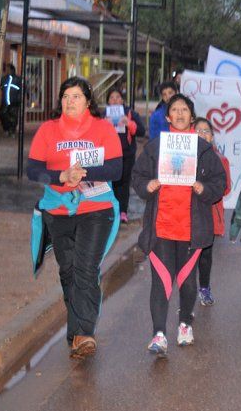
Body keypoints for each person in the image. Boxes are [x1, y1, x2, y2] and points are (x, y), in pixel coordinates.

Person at [27, 77, 123, 359]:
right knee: (67, 270)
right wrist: (60, 176)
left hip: (96, 209)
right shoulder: (48, 130)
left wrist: (82, 174)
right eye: (66, 96)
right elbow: (33, 170)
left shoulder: (103, 129)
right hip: (58, 210)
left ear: (88, 101)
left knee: (84, 268)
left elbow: (116, 169)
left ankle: (85, 333)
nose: (70, 101)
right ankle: (77, 332)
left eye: (77, 96)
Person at [132, 94, 226, 357]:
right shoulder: (155, 146)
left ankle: (185, 324)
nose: (180, 113)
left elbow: (220, 183)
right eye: (175, 109)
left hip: (191, 228)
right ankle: (159, 334)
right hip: (161, 227)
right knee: (161, 281)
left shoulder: (203, 150)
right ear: (169, 116)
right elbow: (138, 176)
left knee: (186, 281)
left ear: (191, 117)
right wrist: (146, 186)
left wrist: (204, 188)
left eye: (185, 109)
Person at [193, 118, 232, 306]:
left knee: (205, 255)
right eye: (197, 130)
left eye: (206, 131)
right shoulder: (185, 159)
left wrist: (207, 188)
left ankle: (205, 288)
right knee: (189, 255)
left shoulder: (220, 160)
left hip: (209, 215)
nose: (202, 134)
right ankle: (188, 290)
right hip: (188, 215)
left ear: (212, 136)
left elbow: (226, 188)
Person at [106, 89, 145, 223]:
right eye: (112, 97)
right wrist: (104, 124)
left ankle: (123, 211)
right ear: (108, 101)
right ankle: (112, 210)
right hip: (109, 155)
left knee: (124, 183)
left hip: (127, 155)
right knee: (111, 183)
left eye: (118, 97)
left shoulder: (130, 113)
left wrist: (129, 123)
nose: (115, 100)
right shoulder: (103, 115)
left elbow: (141, 131)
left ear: (122, 100)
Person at [0, 63, 22, 136]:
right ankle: (6, 129)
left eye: (8, 69)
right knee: (3, 114)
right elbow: (2, 88)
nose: (7, 71)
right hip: (5, 101)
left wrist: (19, 98)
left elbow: (22, 89)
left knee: (13, 117)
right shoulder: (4, 79)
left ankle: (12, 131)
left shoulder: (18, 79)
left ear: (12, 70)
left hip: (14, 101)